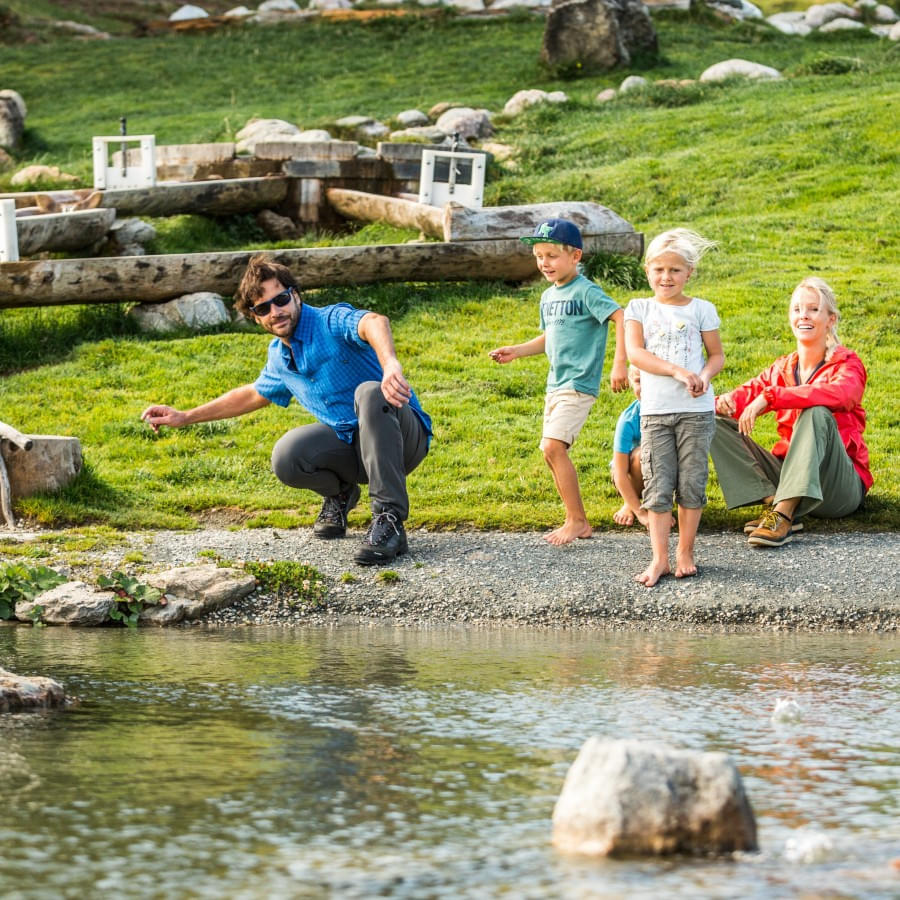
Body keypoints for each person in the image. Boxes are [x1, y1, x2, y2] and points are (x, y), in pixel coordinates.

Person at [141, 254, 432, 565]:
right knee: (287, 455)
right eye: (263, 308)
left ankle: (389, 520)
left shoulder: (329, 321)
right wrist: (185, 417)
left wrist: (390, 365)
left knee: (371, 393)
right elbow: (253, 394)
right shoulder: (279, 356)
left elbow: (374, 322)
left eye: (280, 300)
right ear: (255, 317)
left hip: (401, 440)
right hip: (357, 450)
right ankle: (341, 495)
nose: (275, 311)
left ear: (295, 295)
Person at [489, 217, 628, 545]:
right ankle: (576, 519)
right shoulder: (549, 297)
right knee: (549, 451)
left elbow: (621, 316)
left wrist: (619, 363)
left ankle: (577, 520)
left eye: (552, 255)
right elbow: (549, 337)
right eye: (539, 256)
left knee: (553, 446)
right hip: (555, 385)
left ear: (575, 257)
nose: (544, 263)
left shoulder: (586, 290)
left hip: (578, 383)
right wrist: (517, 351)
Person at [711, 276, 871, 547]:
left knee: (817, 411)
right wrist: (723, 402)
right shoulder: (782, 368)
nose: (803, 316)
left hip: (837, 488)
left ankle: (783, 513)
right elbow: (745, 396)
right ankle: (774, 502)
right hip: (788, 476)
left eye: (812, 309)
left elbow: (843, 395)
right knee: (713, 420)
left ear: (830, 319)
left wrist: (772, 397)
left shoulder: (848, 363)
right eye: (797, 310)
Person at [624, 228, 724, 586]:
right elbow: (636, 354)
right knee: (658, 483)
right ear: (648, 270)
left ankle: (685, 552)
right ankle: (659, 559)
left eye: (675, 271)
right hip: (655, 412)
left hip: (696, 412)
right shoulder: (638, 308)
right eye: (659, 270)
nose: (666, 277)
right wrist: (677, 371)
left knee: (692, 482)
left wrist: (704, 376)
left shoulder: (702, 309)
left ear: (689, 273)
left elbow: (716, 356)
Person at [611, 365, 648, 528]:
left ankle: (659, 506)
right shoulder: (629, 420)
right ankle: (630, 503)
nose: (646, 387)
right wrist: (641, 514)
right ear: (631, 383)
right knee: (643, 454)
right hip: (629, 475)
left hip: (662, 475)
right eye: (639, 381)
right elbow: (619, 472)